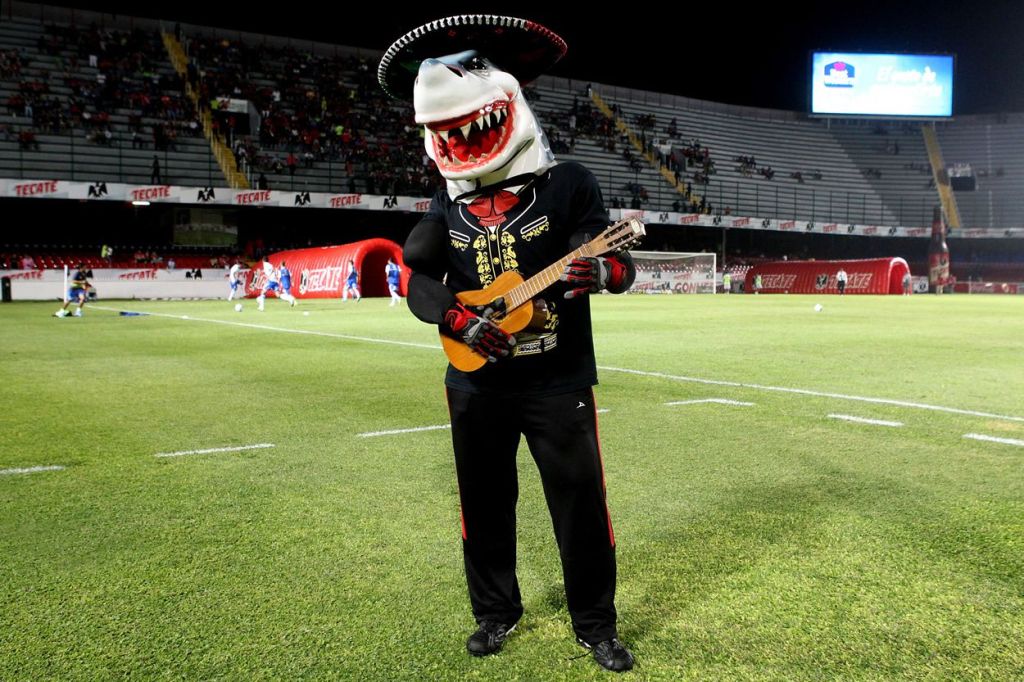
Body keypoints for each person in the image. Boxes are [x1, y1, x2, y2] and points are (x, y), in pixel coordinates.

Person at [382, 15, 635, 672]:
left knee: (581, 504)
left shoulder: (570, 183)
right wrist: (458, 321)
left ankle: (596, 625)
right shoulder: (446, 206)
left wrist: (602, 271)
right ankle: (495, 614)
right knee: (484, 503)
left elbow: (615, 262)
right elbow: (418, 282)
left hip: (558, 380)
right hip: (475, 384)